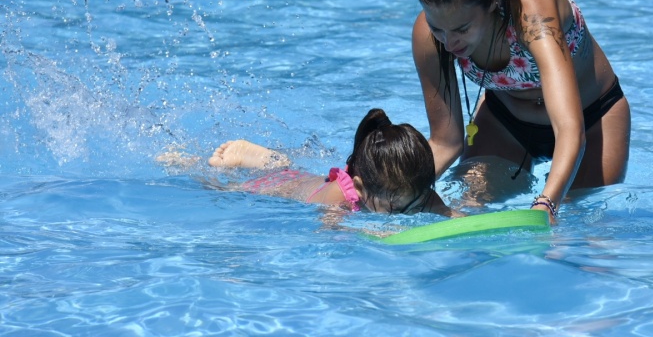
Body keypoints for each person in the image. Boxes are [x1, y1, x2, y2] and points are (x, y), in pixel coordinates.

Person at [410, 0, 631, 223]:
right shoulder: (427, 36)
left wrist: (547, 205)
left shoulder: (534, 16)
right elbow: (446, 141)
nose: (448, 43)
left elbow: (570, 129)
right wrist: (388, 191)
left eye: (461, 29)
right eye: (437, 28)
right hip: (505, 122)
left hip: (593, 119)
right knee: (467, 208)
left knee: (584, 229)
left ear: (493, 1)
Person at [158, 108, 453, 216]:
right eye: (393, 209)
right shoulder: (341, 198)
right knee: (227, 188)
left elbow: (437, 207)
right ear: (361, 188)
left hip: (302, 177)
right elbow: (329, 230)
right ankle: (185, 163)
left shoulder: (406, 189)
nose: (404, 213)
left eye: (411, 204)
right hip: (281, 190)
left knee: (289, 170)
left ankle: (272, 161)